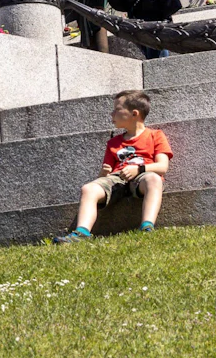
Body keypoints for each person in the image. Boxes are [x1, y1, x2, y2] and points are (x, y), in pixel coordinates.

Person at [53, 90, 171, 243]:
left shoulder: (155, 135)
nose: (112, 113)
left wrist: (139, 169)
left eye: (117, 109)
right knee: (88, 189)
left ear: (134, 113)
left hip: (143, 176)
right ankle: (81, 233)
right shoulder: (113, 143)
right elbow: (105, 177)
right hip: (117, 179)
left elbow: (162, 166)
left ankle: (147, 226)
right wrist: (103, 172)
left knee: (154, 180)